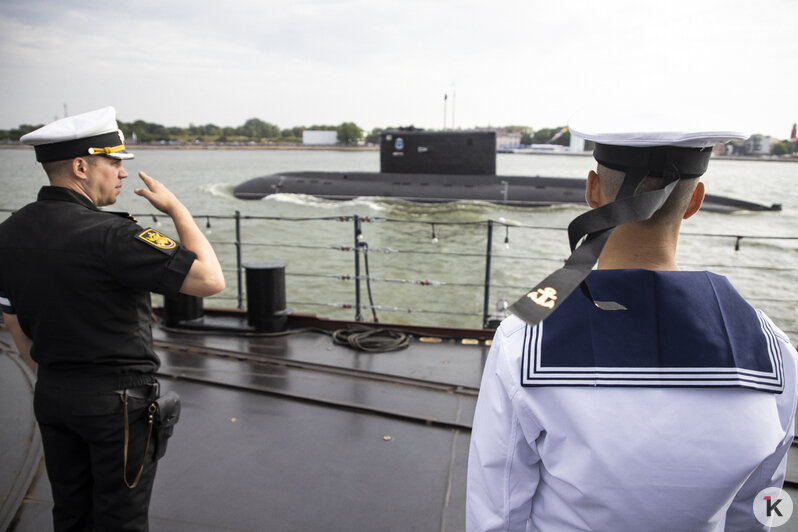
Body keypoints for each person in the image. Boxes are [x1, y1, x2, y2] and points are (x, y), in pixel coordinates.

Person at [466, 109, 798, 531]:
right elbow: (760, 509)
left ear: (592, 191)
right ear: (695, 201)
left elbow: (496, 511)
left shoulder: (523, 337)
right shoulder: (775, 352)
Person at [0, 106, 225, 531]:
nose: (122, 173)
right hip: (118, 406)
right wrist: (179, 211)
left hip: (52, 393)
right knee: (121, 521)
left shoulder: (8, 234)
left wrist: (61, 378)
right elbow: (211, 280)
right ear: (81, 166)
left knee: (70, 514)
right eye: (114, 161)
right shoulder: (114, 236)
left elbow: (14, 324)